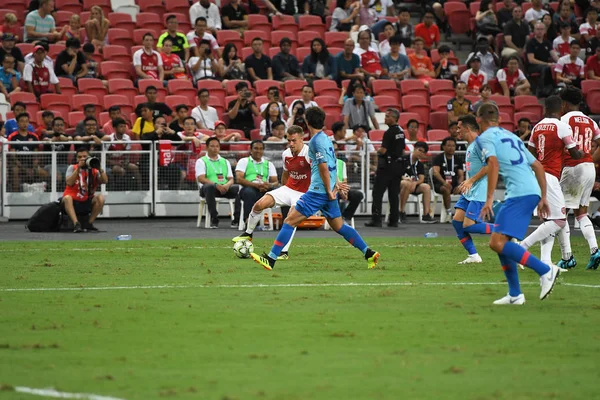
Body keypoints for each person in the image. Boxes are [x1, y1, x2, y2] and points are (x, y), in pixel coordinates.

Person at [250, 107, 380, 270]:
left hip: (318, 191)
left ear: (307, 122)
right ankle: (369, 253)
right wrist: (335, 184)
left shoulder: (316, 141)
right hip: (327, 190)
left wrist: (328, 190)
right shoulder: (326, 138)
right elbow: (333, 163)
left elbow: (324, 167)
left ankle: (271, 258)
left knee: (289, 221)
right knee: (339, 226)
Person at [476, 103, 560, 305]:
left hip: (519, 194)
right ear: (499, 118)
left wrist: (488, 199)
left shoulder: (485, 138)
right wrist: (543, 197)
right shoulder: (512, 136)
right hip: (530, 191)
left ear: (479, 119)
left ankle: (546, 270)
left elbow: (493, 164)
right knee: (500, 243)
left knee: (496, 243)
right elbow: (538, 166)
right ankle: (515, 294)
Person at [518, 96, 583, 268]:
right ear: (561, 107)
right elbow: (575, 154)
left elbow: (529, 153)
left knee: (549, 221)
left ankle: (545, 261)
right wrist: (583, 152)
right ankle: (522, 246)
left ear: (545, 108)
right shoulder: (562, 126)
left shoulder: (537, 127)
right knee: (560, 221)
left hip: (537, 175)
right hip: (550, 176)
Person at [232, 126, 309, 258]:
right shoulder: (286, 154)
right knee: (259, 205)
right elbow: (285, 174)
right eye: (289, 140)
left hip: (304, 192)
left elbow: (322, 171)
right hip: (289, 188)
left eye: (294, 141)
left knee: (291, 218)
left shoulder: (309, 153)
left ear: (302, 139)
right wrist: (284, 191)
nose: (291, 144)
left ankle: (283, 252)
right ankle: (248, 233)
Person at [555, 87, 600, 270]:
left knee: (560, 213)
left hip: (572, 167)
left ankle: (567, 257)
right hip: (589, 167)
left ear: (564, 103)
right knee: (581, 213)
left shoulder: (563, 120)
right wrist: (589, 159)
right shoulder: (591, 121)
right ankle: (595, 250)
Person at [451, 115, 493, 264]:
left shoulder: (481, 143)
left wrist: (471, 180)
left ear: (467, 128)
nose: (457, 131)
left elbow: (490, 165)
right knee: (457, 221)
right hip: (470, 189)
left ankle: (504, 229)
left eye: (459, 127)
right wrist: (465, 183)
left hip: (481, 189)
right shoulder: (470, 145)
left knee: (468, 225)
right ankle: (474, 256)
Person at [365, 109, 405, 227]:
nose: (385, 119)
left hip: (386, 166)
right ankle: (394, 220)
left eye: (387, 116)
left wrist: (377, 152)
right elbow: (402, 150)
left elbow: (383, 150)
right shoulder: (401, 132)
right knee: (393, 194)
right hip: (397, 166)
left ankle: (376, 219)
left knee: (377, 193)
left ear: (394, 118)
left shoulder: (389, 132)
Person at [195, 137, 240, 228]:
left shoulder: (225, 161)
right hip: (209, 189)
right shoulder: (201, 161)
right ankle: (214, 218)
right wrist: (216, 185)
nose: (215, 148)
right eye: (212, 146)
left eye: (217, 146)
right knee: (209, 187)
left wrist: (227, 185)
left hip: (224, 187)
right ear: (207, 148)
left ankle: (237, 219)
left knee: (240, 189)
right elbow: (201, 178)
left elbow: (231, 179)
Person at [61, 147, 108, 233]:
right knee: (67, 198)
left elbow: (105, 181)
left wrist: (100, 169)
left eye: (84, 156)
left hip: (87, 199)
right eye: (79, 157)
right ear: (76, 159)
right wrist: (78, 168)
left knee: (101, 197)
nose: (82, 158)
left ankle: (88, 224)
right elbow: (69, 182)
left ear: (89, 157)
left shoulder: (94, 170)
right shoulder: (72, 167)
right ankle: (76, 224)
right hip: (72, 200)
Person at [234, 140, 279, 226]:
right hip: (248, 188)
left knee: (281, 190)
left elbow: (275, 182)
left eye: (261, 149)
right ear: (250, 150)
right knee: (249, 192)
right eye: (256, 148)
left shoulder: (269, 164)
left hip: (264, 189)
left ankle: (287, 222)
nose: (258, 151)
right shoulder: (244, 161)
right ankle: (249, 221)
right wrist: (256, 185)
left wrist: (269, 185)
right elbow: (239, 179)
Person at [400, 141, 436, 224]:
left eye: (423, 152)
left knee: (426, 187)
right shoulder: (403, 159)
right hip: (400, 183)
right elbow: (396, 173)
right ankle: (401, 212)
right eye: (419, 150)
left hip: (413, 185)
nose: (420, 153)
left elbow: (421, 179)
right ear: (414, 149)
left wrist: (415, 183)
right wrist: (404, 178)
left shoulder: (420, 165)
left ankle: (426, 215)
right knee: (406, 184)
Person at [7, 113, 44, 192]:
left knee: (44, 173)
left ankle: (44, 196)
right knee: (15, 170)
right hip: (17, 164)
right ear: (17, 123)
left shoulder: (34, 136)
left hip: (31, 164)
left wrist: (33, 167)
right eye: (22, 121)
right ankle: (15, 196)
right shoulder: (12, 136)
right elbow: (13, 157)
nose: (25, 123)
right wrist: (24, 169)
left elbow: (36, 155)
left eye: (27, 121)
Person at [432, 137, 464, 222]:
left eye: (453, 146)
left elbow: (461, 175)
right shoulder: (438, 158)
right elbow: (435, 172)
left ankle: (466, 213)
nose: (451, 148)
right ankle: (448, 213)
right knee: (446, 189)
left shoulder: (458, 159)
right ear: (443, 147)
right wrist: (444, 182)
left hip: (454, 184)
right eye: (449, 146)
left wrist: (460, 185)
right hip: (440, 184)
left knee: (468, 190)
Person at [104, 118, 141, 190]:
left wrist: (126, 161)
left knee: (135, 168)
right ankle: (120, 191)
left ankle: (140, 190)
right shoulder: (110, 139)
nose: (123, 128)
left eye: (124, 126)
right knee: (120, 171)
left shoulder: (127, 138)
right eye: (121, 126)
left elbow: (127, 153)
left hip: (122, 162)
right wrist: (114, 162)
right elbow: (105, 156)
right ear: (115, 128)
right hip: (111, 164)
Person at [332, 140, 364, 223]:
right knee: (334, 195)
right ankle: (336, 220)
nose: (334, 152)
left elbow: (344, 181)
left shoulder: (341, 163)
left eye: (336, 150)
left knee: (358, 195)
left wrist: (344, 192)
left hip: (340, 188)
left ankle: (345, 217)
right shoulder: (323, 163)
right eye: (332, 149)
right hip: (329, 190)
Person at [526, 22, 559, 97]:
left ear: (545, 31)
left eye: (541, 29)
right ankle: (545, 89)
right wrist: (546, 64)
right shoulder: (531, 43)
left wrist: (560, 62)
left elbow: (554, 56)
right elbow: (531, 60)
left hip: (545, 65)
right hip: (533, 66)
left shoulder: (547, 43)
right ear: (534, 31)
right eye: (538, 29)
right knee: (547, 68)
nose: (540, 31)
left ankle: (557, 87)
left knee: (556, 66)